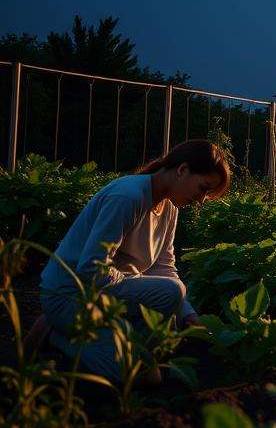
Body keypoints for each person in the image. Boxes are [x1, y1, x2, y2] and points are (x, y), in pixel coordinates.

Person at [37, 139, 231, 384]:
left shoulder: (169, 208)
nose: (202, 199)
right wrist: (142, 286)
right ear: (182, 170)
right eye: (203, 188)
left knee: (155, 370)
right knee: (131, 373)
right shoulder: (127, 197)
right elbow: (91, 269)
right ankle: (54, 333)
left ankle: (122, 346)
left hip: (107, 296)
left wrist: (190, 316)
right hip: (71, 296)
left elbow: (163, 266)